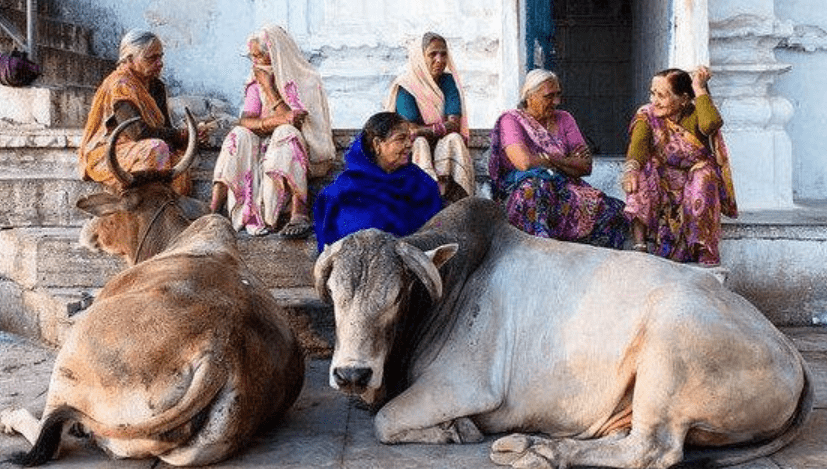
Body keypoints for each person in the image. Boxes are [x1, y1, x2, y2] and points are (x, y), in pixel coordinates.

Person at [210, 25, 336, 238]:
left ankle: (299, 209)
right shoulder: (256, 79)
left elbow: (295, 122)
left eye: (259, 56)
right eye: (252, 57)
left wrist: (270, 90)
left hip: (296, 145)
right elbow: (246, 120)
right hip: (261, 143)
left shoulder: (306, 80)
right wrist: (272, 121)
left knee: (285, 133)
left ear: (275, 55)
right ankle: (212, 209)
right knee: (237, 135)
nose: (255, 62)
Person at [488, 69, 628, 249]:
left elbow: (585, 167)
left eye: (558, 95)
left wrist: (550, 159)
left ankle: (588, 263)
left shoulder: (564, 118)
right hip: (523, 187)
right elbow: (524, 163)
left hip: (566, 186)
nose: (556, 102)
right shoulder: (511, 120)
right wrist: (566, 160)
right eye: (549, 96)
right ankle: (540, 250)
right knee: (536, 188)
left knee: (615, 211)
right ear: (529, 96)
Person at [622, 66, 737, 266]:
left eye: (661, 95)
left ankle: (702, 247)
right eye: (652, 93)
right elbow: (638, 146)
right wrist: (631, 169)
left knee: (704, 174)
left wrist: (699, 88)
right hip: (664, 181)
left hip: (694, 180)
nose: (653, 101)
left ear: (683, 99)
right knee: (639, 171)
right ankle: (639, 245)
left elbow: (711, 124)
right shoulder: (647, 115)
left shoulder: (695, 113)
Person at [79, 29, 208, 195]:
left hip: (145, 147)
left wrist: (193, 135)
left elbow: (166, 129)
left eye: (160, 56)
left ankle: (169, 211)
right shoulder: (120, 85)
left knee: (177, 161)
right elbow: (137, 133)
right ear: (129, 59)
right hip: (111, 153)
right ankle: (144, 203)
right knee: (157, 148)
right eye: (152, 58)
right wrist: (181, 135)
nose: (160, 63)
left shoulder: (157, 87)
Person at [313, 112, 443, 252]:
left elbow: (435, 229)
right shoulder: (347, 188)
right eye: (400, 139)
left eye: (409, 139)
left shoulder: (421, 182)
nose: (408, 145)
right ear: (377, 144)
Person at [385, 32, 474, 203]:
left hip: (442, 143)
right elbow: (409, 130)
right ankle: (424, 199)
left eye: (443, 53)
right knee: (420, 143)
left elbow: (454, 124)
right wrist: (437, 128)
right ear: (420, 57)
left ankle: (460, 201)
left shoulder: (448, 81)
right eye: (433, 54)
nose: (440, 59)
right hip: (412, 149)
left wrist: (425, 129)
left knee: (454, 138)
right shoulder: (407, 86)